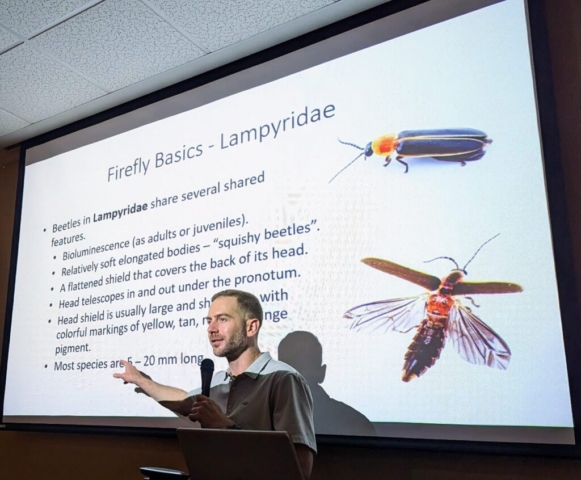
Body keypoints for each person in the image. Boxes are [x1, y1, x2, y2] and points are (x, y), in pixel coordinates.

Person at [114, 289, 316, 479]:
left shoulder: (282, 379)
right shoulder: (218, 380)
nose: (211, 329)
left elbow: (300, 469)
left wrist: (225, 427)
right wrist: (142, 381)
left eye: (223, 319)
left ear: (251, 327)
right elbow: (184, 402)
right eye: (209, 321)